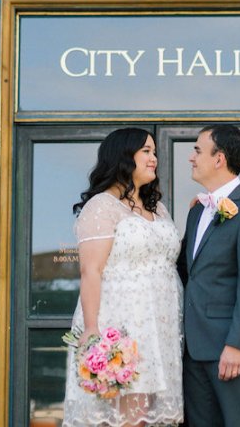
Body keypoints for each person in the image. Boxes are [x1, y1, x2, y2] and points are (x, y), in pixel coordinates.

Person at [63, 127, 184, 427]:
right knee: (128, 417)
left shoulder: (160, 210)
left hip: (162, 327)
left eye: (154, 152)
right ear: (123, 157)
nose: (154, 158)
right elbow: (91, 270)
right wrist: (92, 329)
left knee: (148, 416)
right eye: (146, 151)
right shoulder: (101, 206)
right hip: (123, 326)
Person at [177, 124, 240, 427]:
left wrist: (237, 344)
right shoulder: (196, 211)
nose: (191, 158)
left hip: (228, 349)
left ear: (218, 159)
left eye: (197, 150)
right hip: (193, 349)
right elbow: (186, 273)